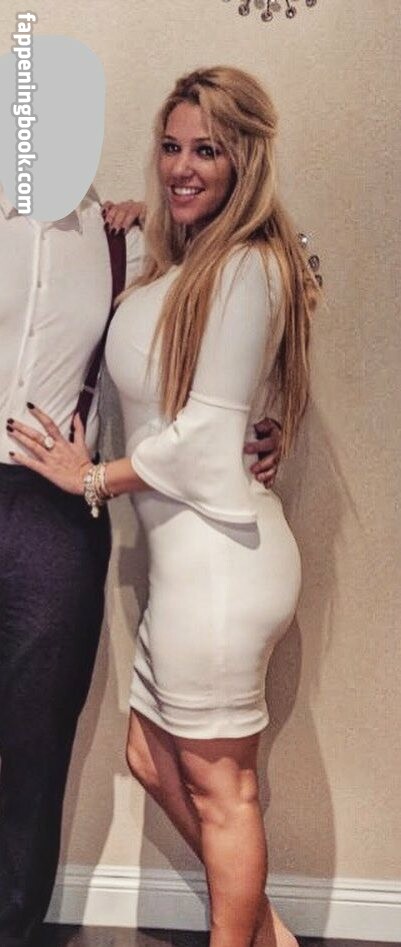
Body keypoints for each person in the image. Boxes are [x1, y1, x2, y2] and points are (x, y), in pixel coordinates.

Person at [7, 65, 318, 947]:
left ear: (244, 158)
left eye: (207, 150)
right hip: (186, 569)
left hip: (221, 568)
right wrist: (151, 229)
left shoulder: (250, 264)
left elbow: (203, 434)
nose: (183, 166)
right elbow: (201, 376)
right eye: (173, 147)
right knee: (149, 756)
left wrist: (91, 477)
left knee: (226, 793)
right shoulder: (192, 261)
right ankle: (271, 936)